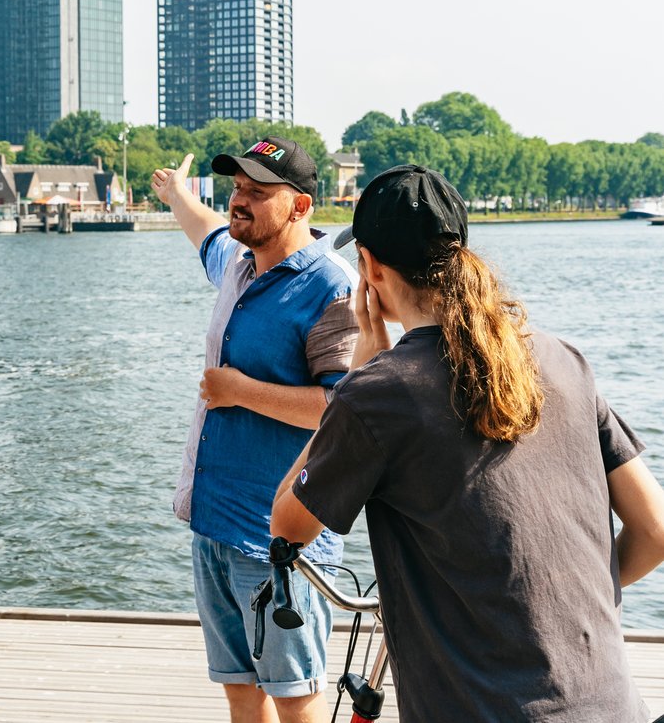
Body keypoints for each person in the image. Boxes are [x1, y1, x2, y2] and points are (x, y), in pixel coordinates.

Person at [271, 164, 664, 721]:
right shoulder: (563, 359)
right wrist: (550, 606)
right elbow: (654, 530)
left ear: (370, 269)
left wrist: (352, 382)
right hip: (615, 705)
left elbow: (287, 527)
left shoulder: (378, 392)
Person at [151, 138, 359, 723]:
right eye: (237, 188)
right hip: (213, 524)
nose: (239, 201)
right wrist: (175, 195)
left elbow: (342, 410)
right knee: (241, 691)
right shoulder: (236, 264)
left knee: (296, 697)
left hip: (281, 540)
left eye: (257, 193)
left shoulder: (330, 287)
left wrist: (239, 391)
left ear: (299, 207)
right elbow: (206, 230)